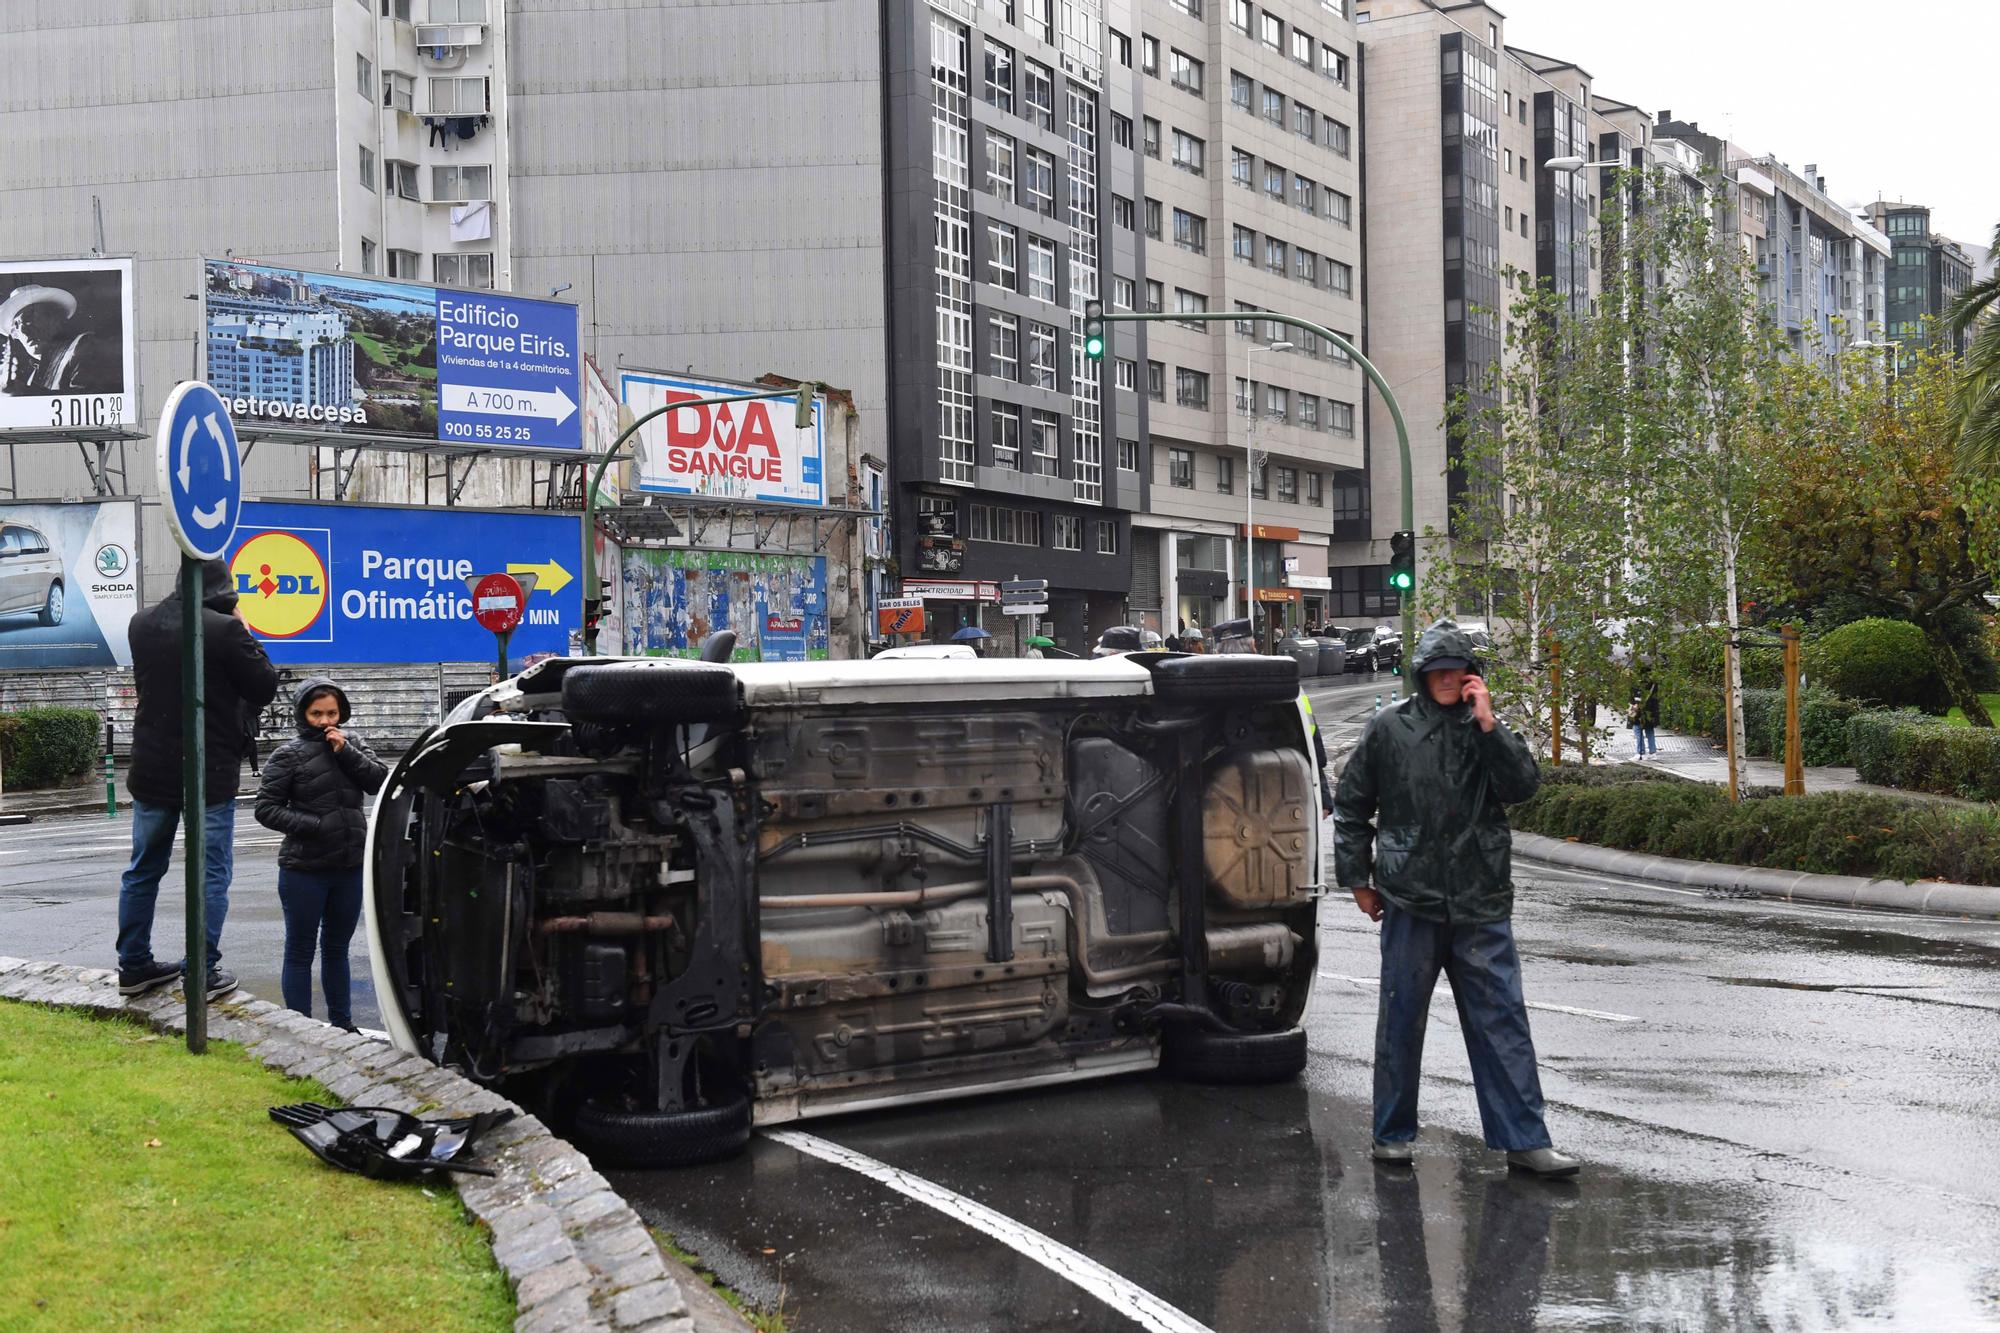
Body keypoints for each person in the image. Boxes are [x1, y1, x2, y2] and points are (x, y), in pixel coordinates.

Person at [1333, 619, 1579, 1178]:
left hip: (1480, 899)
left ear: (1471, 675)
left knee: (1504, 1023)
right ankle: (1391, 1133)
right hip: (1409, 897)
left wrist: (1489, 724)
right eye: (1436, 670)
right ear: (1421, 675)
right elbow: (1351, 808)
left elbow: (1522, 789)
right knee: (1401, 1022)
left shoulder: (1486, 729)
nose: (1447, 679)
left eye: (1456, 670)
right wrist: (1359, 881)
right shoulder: (1388, 729)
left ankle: (1525, 1139)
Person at [117, 559, 280, 998]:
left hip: (151, 767)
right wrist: (242, 625)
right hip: (209, 769)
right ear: (224, 587)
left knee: (142, 868)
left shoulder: (141, 623)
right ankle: (201, 971)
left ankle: (133, 965)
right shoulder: (225, 630)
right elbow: (265, 685)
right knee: (210, 873)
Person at [255, 678, 388, 1031]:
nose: (326, 720)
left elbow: (379, 782)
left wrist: (345, 751)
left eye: (332, 713)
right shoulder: (288, 755)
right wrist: (314, 825)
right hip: (304, 869)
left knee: (336, 949)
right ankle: (301, 1028)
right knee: (300, 951)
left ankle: (342, 1024)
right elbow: (266, 809)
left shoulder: (353, 743)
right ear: (303, 714)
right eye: (317, 714)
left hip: (348, 866)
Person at [0, 283, 119, 395]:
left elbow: (85, 402)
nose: (23, 331)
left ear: (56, 320)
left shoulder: (84, 345)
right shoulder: (33, 376)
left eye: (29, 319)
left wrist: (25, 393)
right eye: (15, 326)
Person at [1629, 670, 1660, 760]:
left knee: (1637, 730)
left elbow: (1637, 697)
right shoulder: (1654, 683)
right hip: (1651, 710)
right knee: (1649, 730)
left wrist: (1635, 704)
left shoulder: (1639, 684)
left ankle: (1640, 752)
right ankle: (1652, 752)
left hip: (1640, 711)